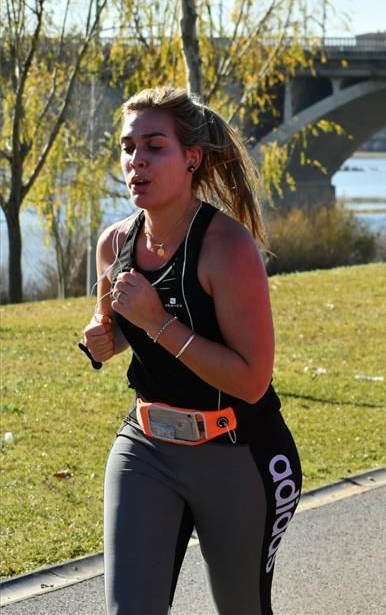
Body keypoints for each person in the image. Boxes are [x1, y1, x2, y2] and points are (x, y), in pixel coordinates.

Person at [81, 86, 301, 615]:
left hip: (237, 452)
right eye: (128, 147)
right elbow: (108, 331)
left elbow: (251, 380)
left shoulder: (227, 248)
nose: (137, 161)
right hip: (146, 448)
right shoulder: (115, 244)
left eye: (155, 147)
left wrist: (156, 322)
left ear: (192, 158)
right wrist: (99, 338)